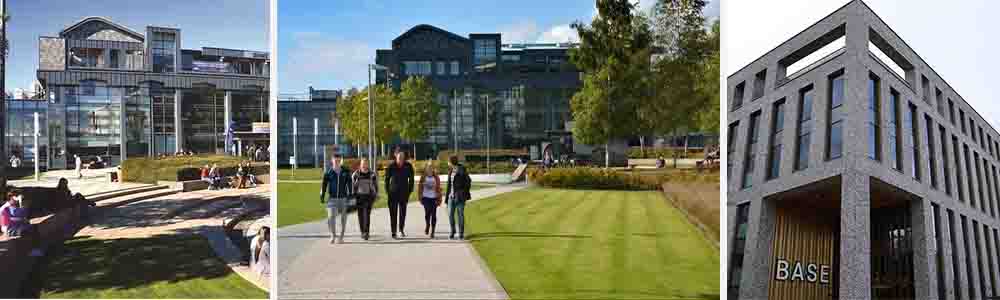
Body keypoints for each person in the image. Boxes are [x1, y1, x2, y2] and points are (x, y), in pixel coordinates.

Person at [321, 154, 353, 244]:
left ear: (341, 161)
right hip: (332, 199)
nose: (337, 162)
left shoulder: (345, 171)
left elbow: (350, 183)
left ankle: (341, 237)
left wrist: (350, 195)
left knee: (343, 219)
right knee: (330, 217)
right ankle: (333, 235)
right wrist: (322, 195)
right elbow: (323, 185)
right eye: (336, 161)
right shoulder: (328, 172)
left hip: (343, 198)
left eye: (339, 161)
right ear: (332, 161)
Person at [1, 190, 44, 257]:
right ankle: (30, 251)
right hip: (10, 230)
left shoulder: (17, 207)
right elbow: (5, 225)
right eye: (16, 197)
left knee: (34, 228)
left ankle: (36, 249)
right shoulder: (5, 209)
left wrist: (23, 220)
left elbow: (24, 217)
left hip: (19, 227)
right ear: (11, 198)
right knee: (28, 231)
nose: (18, 199)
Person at [384, 150, 414, 239]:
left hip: (404, 193)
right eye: (399, 157)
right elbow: (387, 179)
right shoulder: (391, 166)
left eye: (402, 157)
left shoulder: (408, 166)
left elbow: (411, 180)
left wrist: (409, 191)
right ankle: (393, 231)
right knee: (393, 213)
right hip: (392, 194)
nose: (401, 159)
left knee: (402, 213)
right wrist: (387, 191)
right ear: (396, 157)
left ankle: (401, 229)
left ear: (404, 158)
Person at [445, 156, 472, 240]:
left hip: (460, 197)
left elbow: (468, 181)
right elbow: (449, 185)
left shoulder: (462, 169)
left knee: (460, 214)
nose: (448, 163)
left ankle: (461, 233)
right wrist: (447, 197)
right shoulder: (450, 170)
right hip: (451, 196)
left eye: (448, 161)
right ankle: (453, 231)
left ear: (452, 162)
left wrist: (463, 192)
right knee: (450, 214)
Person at [352, 158, 378, 240]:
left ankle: (366, 232)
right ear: (360, 164)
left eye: (366, 163)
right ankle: (362, 231)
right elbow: (352, 185)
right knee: (360, 214)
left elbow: (376, 185)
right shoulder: (356, 174)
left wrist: (376, 194)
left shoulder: (372, 174)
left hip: (369, 196)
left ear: (368, 164)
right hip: (359, 196)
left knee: (367, 214)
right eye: (363, 163)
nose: (364, 165)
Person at [417, 163, 442, 238]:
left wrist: (439, 197)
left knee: (433, 214)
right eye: (428, 169)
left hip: (434, 198)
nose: (430, 170)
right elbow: (420, 187)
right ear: (426, 169)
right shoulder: (423, 177)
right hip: (426, 198)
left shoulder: (436, 177)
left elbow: (439, 188)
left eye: (431, 169)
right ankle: (428, 225)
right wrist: (420, 197)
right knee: (427, 213)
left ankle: (433, 231)